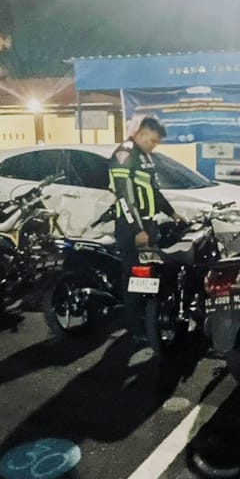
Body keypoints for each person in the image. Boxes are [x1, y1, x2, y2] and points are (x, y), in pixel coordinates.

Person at [108, 116, 185, 342]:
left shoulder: (144, 157)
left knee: (150, 276)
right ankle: (134, 328)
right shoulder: (124, 154)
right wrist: (136, 230)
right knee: (135, 279)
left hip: (149, 225)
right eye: (152, 140)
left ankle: (149, 320)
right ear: (141, 133)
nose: (154, 146)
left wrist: (172, 213)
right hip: (132, 227)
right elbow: (124, 196)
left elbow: (153, 191)